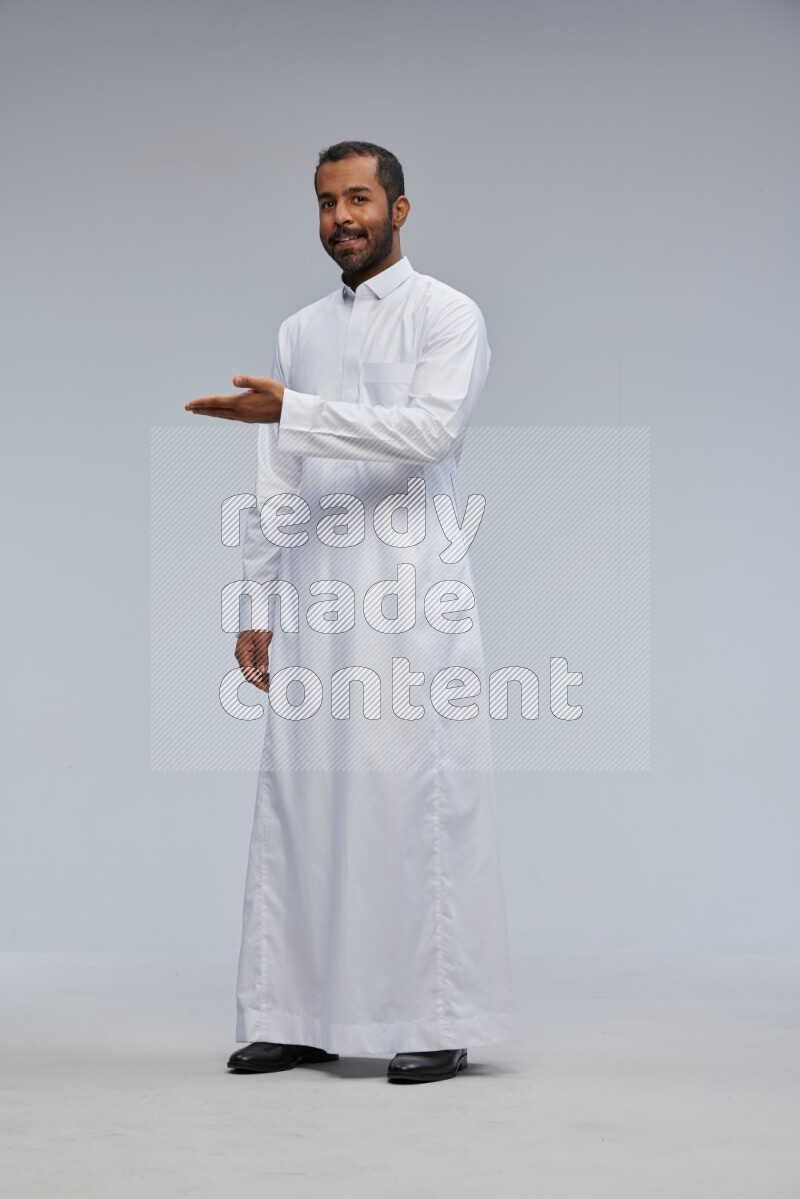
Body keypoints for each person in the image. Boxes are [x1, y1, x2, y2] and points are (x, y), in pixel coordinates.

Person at [185, 139, 518, 1084]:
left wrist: (296, 411)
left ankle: (436, 1014)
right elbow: (278, 476)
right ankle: (297, 1012)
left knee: (414, 797)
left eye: (361, 199)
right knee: (303, 797)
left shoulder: (448, 313)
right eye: (328, 202)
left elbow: (430, 431)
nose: (343, 218)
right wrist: (256, 600)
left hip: (414, 591)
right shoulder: (299, 332)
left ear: (400, 210)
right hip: (318, 593)